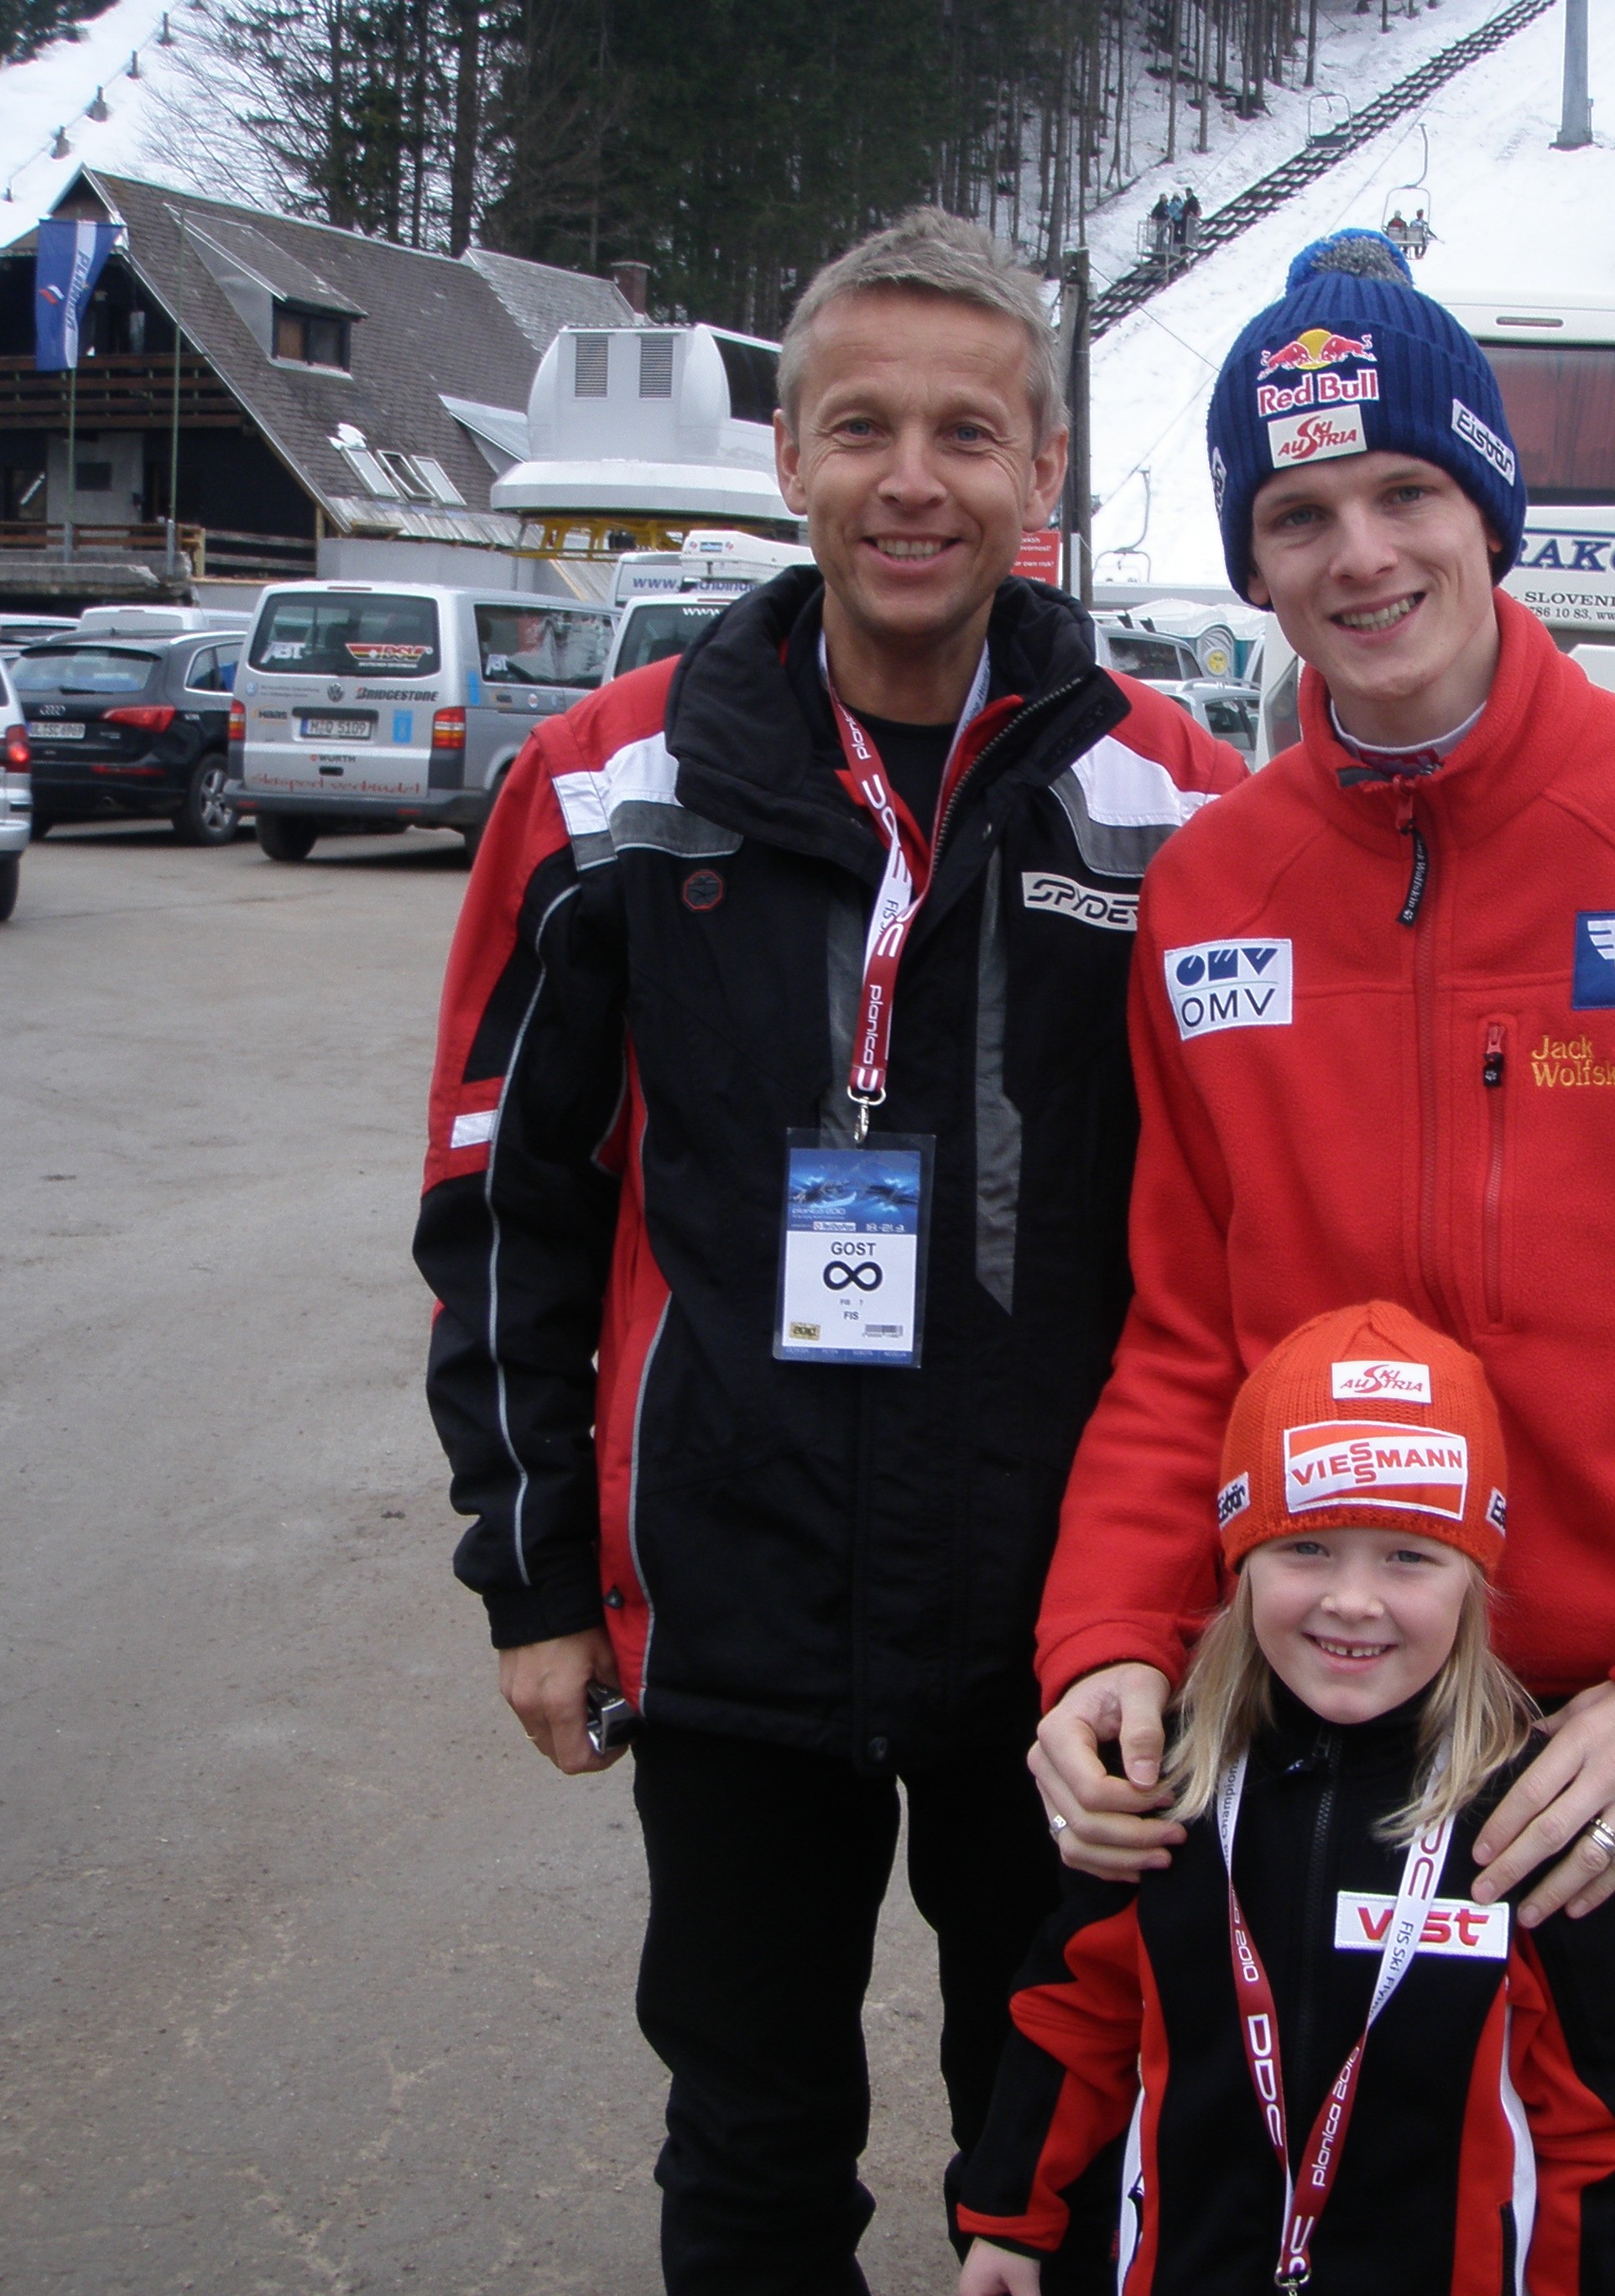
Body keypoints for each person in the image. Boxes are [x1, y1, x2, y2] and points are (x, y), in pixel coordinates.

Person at [1028, 230, 1615, 2295]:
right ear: (1252, 561)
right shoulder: (1213, 884)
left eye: (1404, 494)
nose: (1359, 555)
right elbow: (1185, 1335)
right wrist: (1108, 1633)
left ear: (1488, 508)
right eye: (1296, 515)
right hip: (1340, 1711)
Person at [413, 206, 1244, 2295]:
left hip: (1065, 1641)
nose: (910, 478)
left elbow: (1256, 1218)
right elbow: (504, 1195)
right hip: (732, 1607)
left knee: (1057, 2134)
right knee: (755, 2137)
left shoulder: (1177, 803)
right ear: (784, 453)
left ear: (1043, 472)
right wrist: (533, 1577)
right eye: (859, 424)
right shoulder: (608, 784)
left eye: (968, 433)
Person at [956, 1302, 1615, 2296]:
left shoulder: (1530, 1821)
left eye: (1409, 1556)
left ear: (1476, 1580)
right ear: (1239, 1563)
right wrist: (1007, 2220)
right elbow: (1074, 2020)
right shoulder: (1169, 1791)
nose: (1352, 1599)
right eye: (1307, 1549)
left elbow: (1599, 2123)